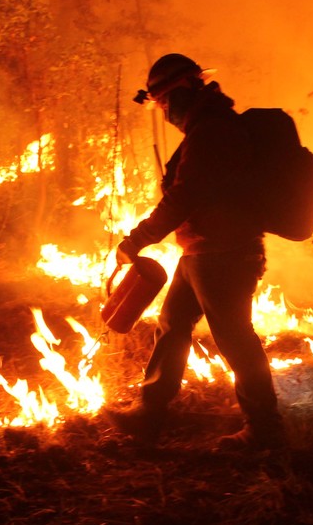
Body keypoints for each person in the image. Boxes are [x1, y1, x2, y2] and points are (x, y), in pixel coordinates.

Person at [105, 53, 284, 453]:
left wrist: (137, 239)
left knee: (236, 340)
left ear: (185, 89)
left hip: (224, 254)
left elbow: (185, 196)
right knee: (171, 326)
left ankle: (265, 430)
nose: (165, 111)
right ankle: (149, 415)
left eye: (165, 101)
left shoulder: (214, 133)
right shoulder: (207, 127)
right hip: (201, 251)